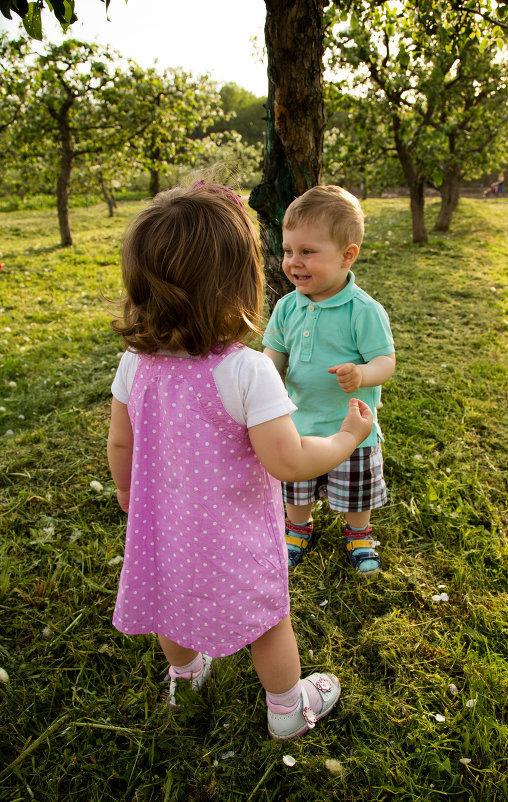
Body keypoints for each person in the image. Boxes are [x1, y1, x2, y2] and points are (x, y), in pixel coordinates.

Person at [107, 181, 374, 741]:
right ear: (237, 283)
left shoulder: (137, 362)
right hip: (236, 536)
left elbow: (121, 443)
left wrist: (128, 494)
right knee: (268, 619)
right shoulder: (245, 370)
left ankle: (185, 676)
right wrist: (348, 437)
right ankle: (286, 707)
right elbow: (292, 461)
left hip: (164, 528)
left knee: (165, 600)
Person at [263, 185, 395, 574]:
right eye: (288, 251)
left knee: (354, 489)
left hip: (351, 425)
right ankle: (298, 527)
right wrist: (267, 375)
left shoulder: (363, 310)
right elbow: (276, 353)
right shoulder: (287, 306)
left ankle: (358, 533)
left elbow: (385, 361)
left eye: (307, 251)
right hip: (298, 421)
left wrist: (363, 374)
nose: (293, 262)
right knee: (295, 485)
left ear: (347, 255)